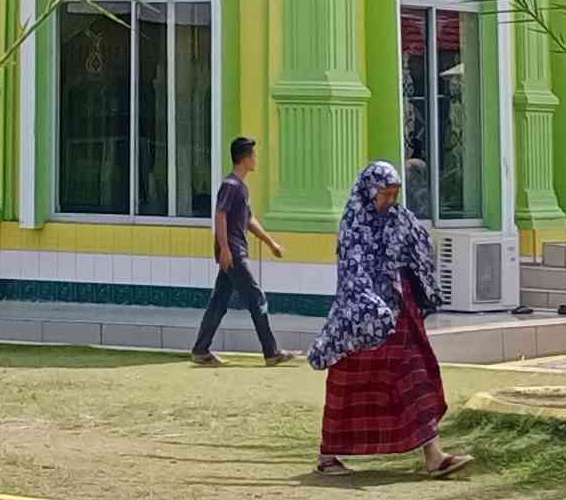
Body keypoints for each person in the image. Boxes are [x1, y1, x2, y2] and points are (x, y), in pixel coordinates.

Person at [309, 160, 465, 477]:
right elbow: (354, 274)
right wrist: (374, 308)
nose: (391, 201)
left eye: (395, 194)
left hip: (401, 315)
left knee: (413, 371)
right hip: (362, 322)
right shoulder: (355, 225)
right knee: (349, 383)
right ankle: (328, 455)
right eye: (386, 194)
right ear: (370, 192)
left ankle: (434, 455)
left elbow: (420, 246)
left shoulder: (399, 218)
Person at [190, 134, 294, 366]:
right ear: (245, 158)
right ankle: (271, 351)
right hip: (235, 253)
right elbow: (220, 215)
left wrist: (271, 243)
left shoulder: (241, 188)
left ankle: (200, 350)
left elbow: (249, 220)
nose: (256, 159)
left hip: (234, 251)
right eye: (253, 155)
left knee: (219, 301)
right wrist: (225, 249)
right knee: (256, 297)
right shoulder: (231, 185)